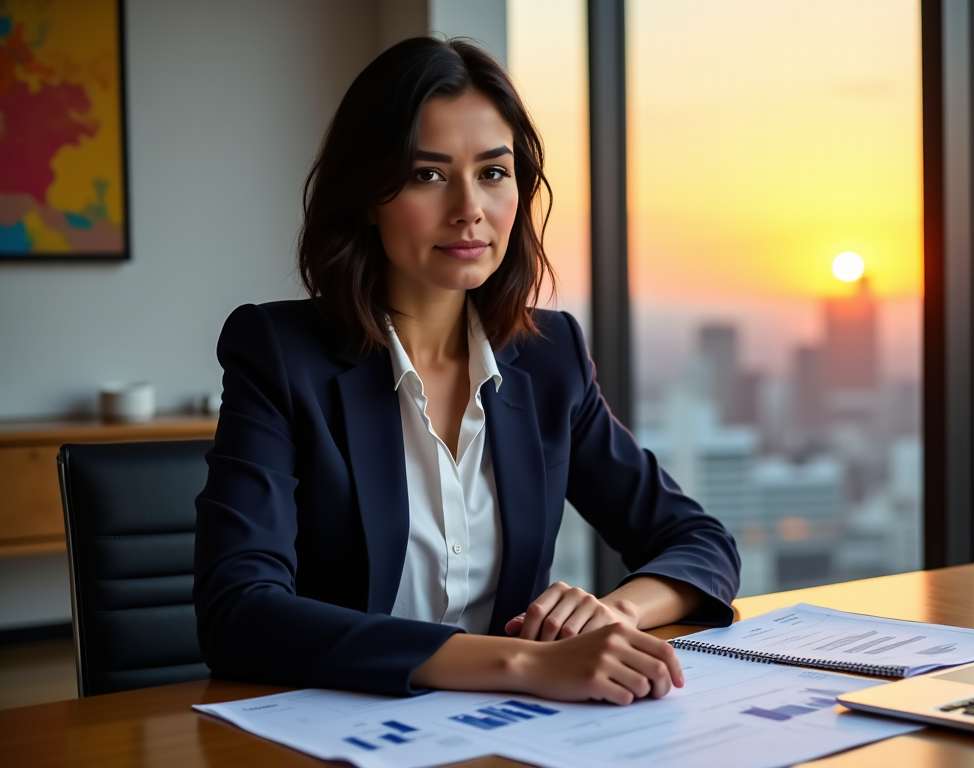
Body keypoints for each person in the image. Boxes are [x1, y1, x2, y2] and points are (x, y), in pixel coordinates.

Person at [193, 37, 740, 706]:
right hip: (335, 729)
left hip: (500, 734)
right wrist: (521, 663)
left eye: (493, 172)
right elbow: (240, 614)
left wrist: (612, 616)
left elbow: (698, 541)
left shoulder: (549, 356)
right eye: (427, 174)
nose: (468, 208)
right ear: (367, 195)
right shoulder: (280, 353)